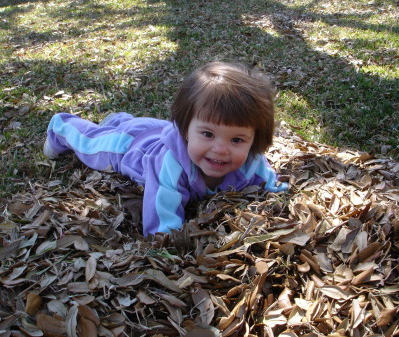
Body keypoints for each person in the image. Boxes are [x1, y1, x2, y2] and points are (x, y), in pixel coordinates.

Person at [44, 61, 288, 236]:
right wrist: (169, 239)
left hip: (155, 128)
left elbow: (269, 182)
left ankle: (118, 120)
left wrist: (278, 194)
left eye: (237, 140)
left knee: (128, 124)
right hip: (132, 147)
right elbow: (162, 217)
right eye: (208, 134)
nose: (221, 149)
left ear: (254, 140)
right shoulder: (169, 166)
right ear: (184, 130)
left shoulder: (250, 162)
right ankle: (61, 126)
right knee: (91, 144)